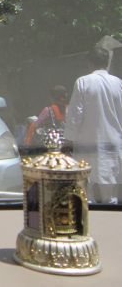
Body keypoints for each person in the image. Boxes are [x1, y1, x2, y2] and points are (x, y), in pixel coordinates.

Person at [65, 47, 122, 204]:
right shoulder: (118, 83)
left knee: (85, 192)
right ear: (108, 62)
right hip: (113, 146)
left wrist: (68, 140)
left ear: (89, 63)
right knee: (110, 194)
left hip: (88, 146)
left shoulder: (83, 82)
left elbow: (75, 115)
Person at [24, 85, 68, 150]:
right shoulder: (70, 109)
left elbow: (35, 125)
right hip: (67, 145)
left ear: (52, 98)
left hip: (52, 145)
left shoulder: (48, 110)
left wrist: (27, 143)